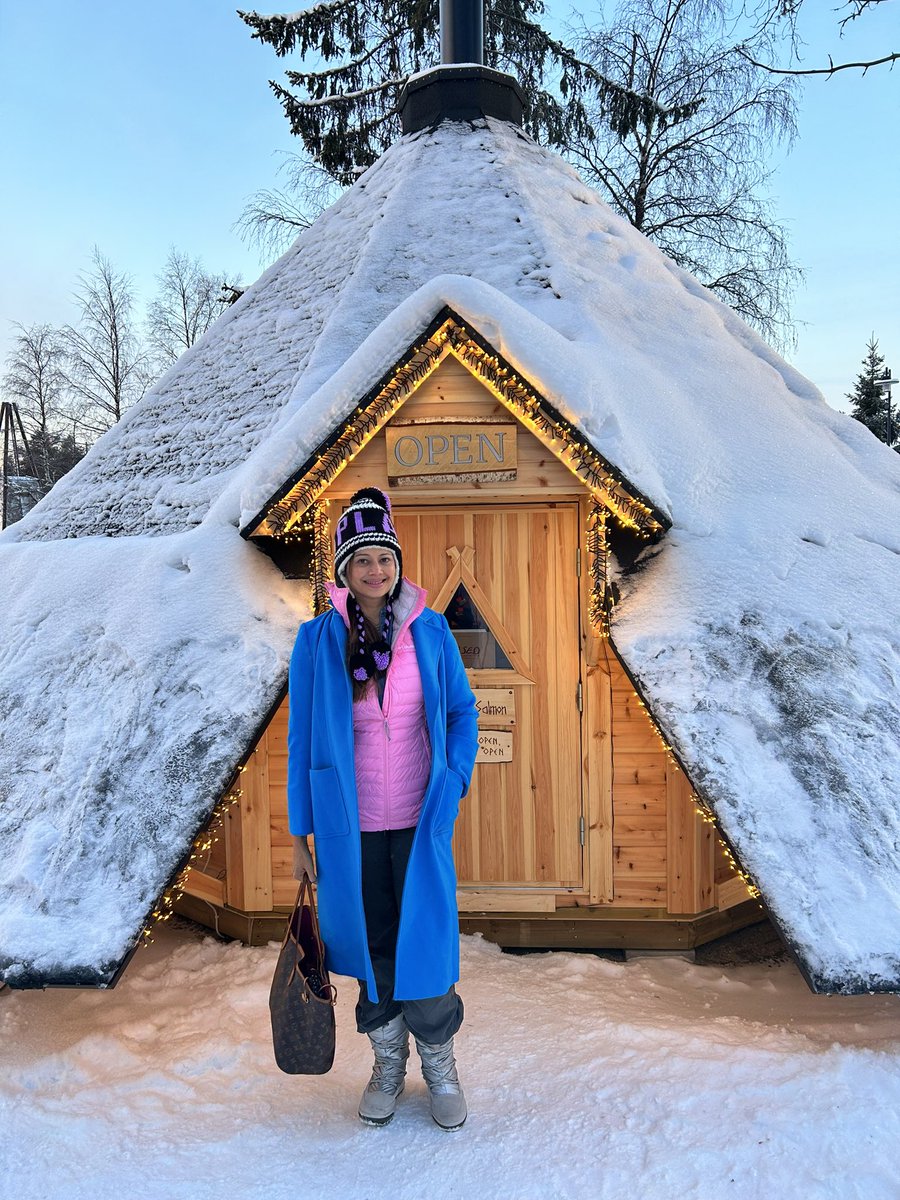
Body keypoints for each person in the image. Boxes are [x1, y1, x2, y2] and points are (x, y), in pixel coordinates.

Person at [287, 486, 479, 1131]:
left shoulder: (429, 629)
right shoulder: (317, 640)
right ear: (343, 569)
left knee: (423, 939)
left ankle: (440, 1064)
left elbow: (459, 710)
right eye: (362, 559)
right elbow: (301, 739)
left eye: (385, 558)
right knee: (370, 946)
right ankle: (388, 1062)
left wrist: (453, 779)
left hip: (421, 817)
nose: (376, 570)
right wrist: (299, 834)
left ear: (397, 563)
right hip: (351, 825)